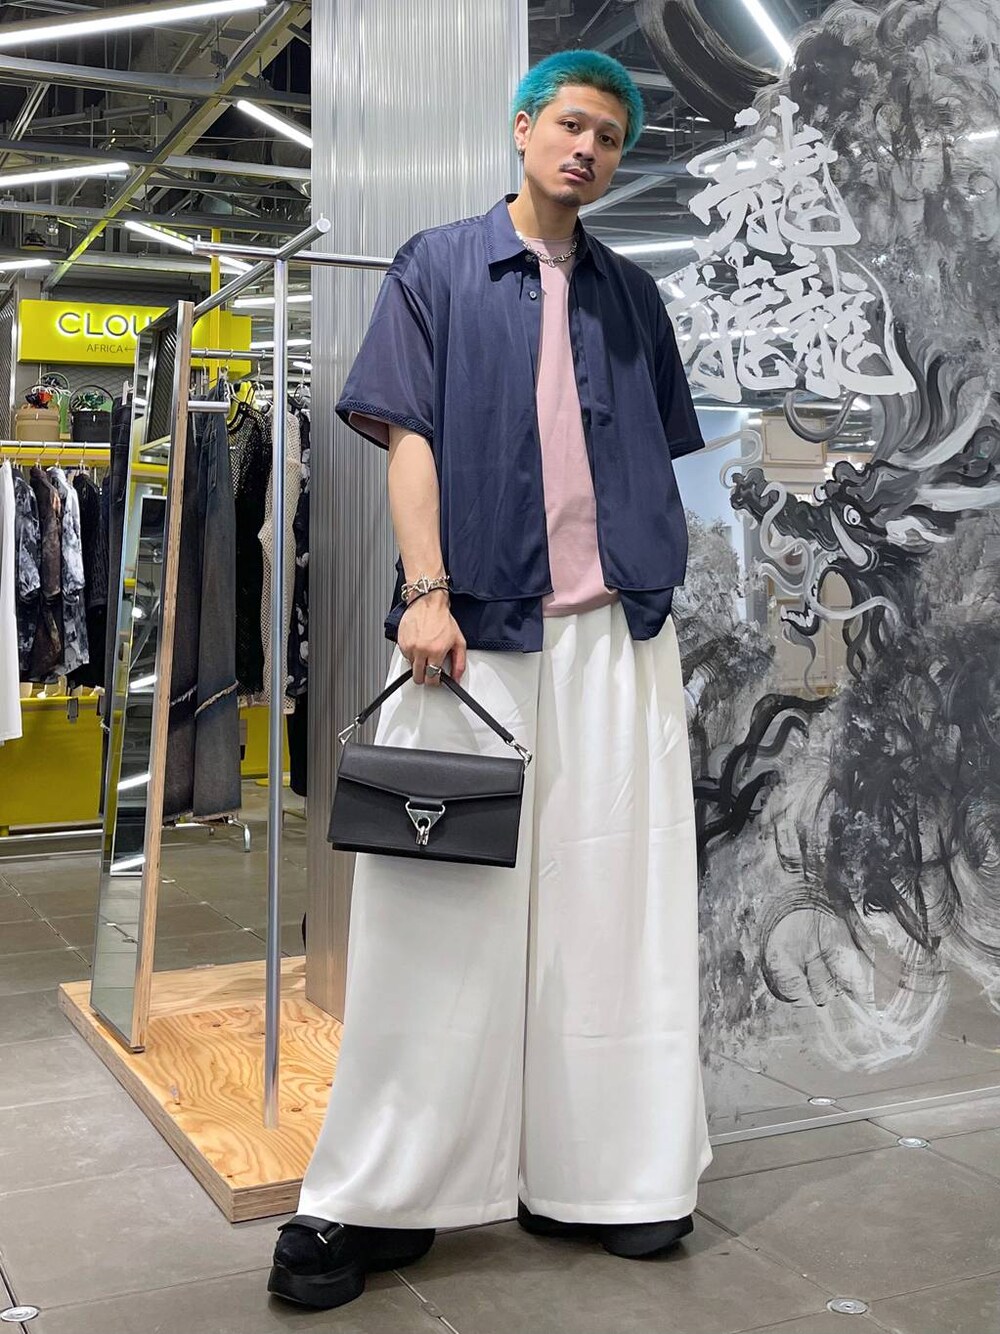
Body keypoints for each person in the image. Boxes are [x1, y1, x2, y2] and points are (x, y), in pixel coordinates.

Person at [269, 48, 713, 1312]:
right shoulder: (439, 265)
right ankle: (382, 1192)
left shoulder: (632, 296)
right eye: (571, 124)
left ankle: (611, 1171)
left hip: (616, 631)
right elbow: (407, 436)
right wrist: (426, 587)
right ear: (523, 129)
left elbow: (648, 450)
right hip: (471, 631)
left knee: (614, 904)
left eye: (609, 138)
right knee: (436, 915)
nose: (588, 150)